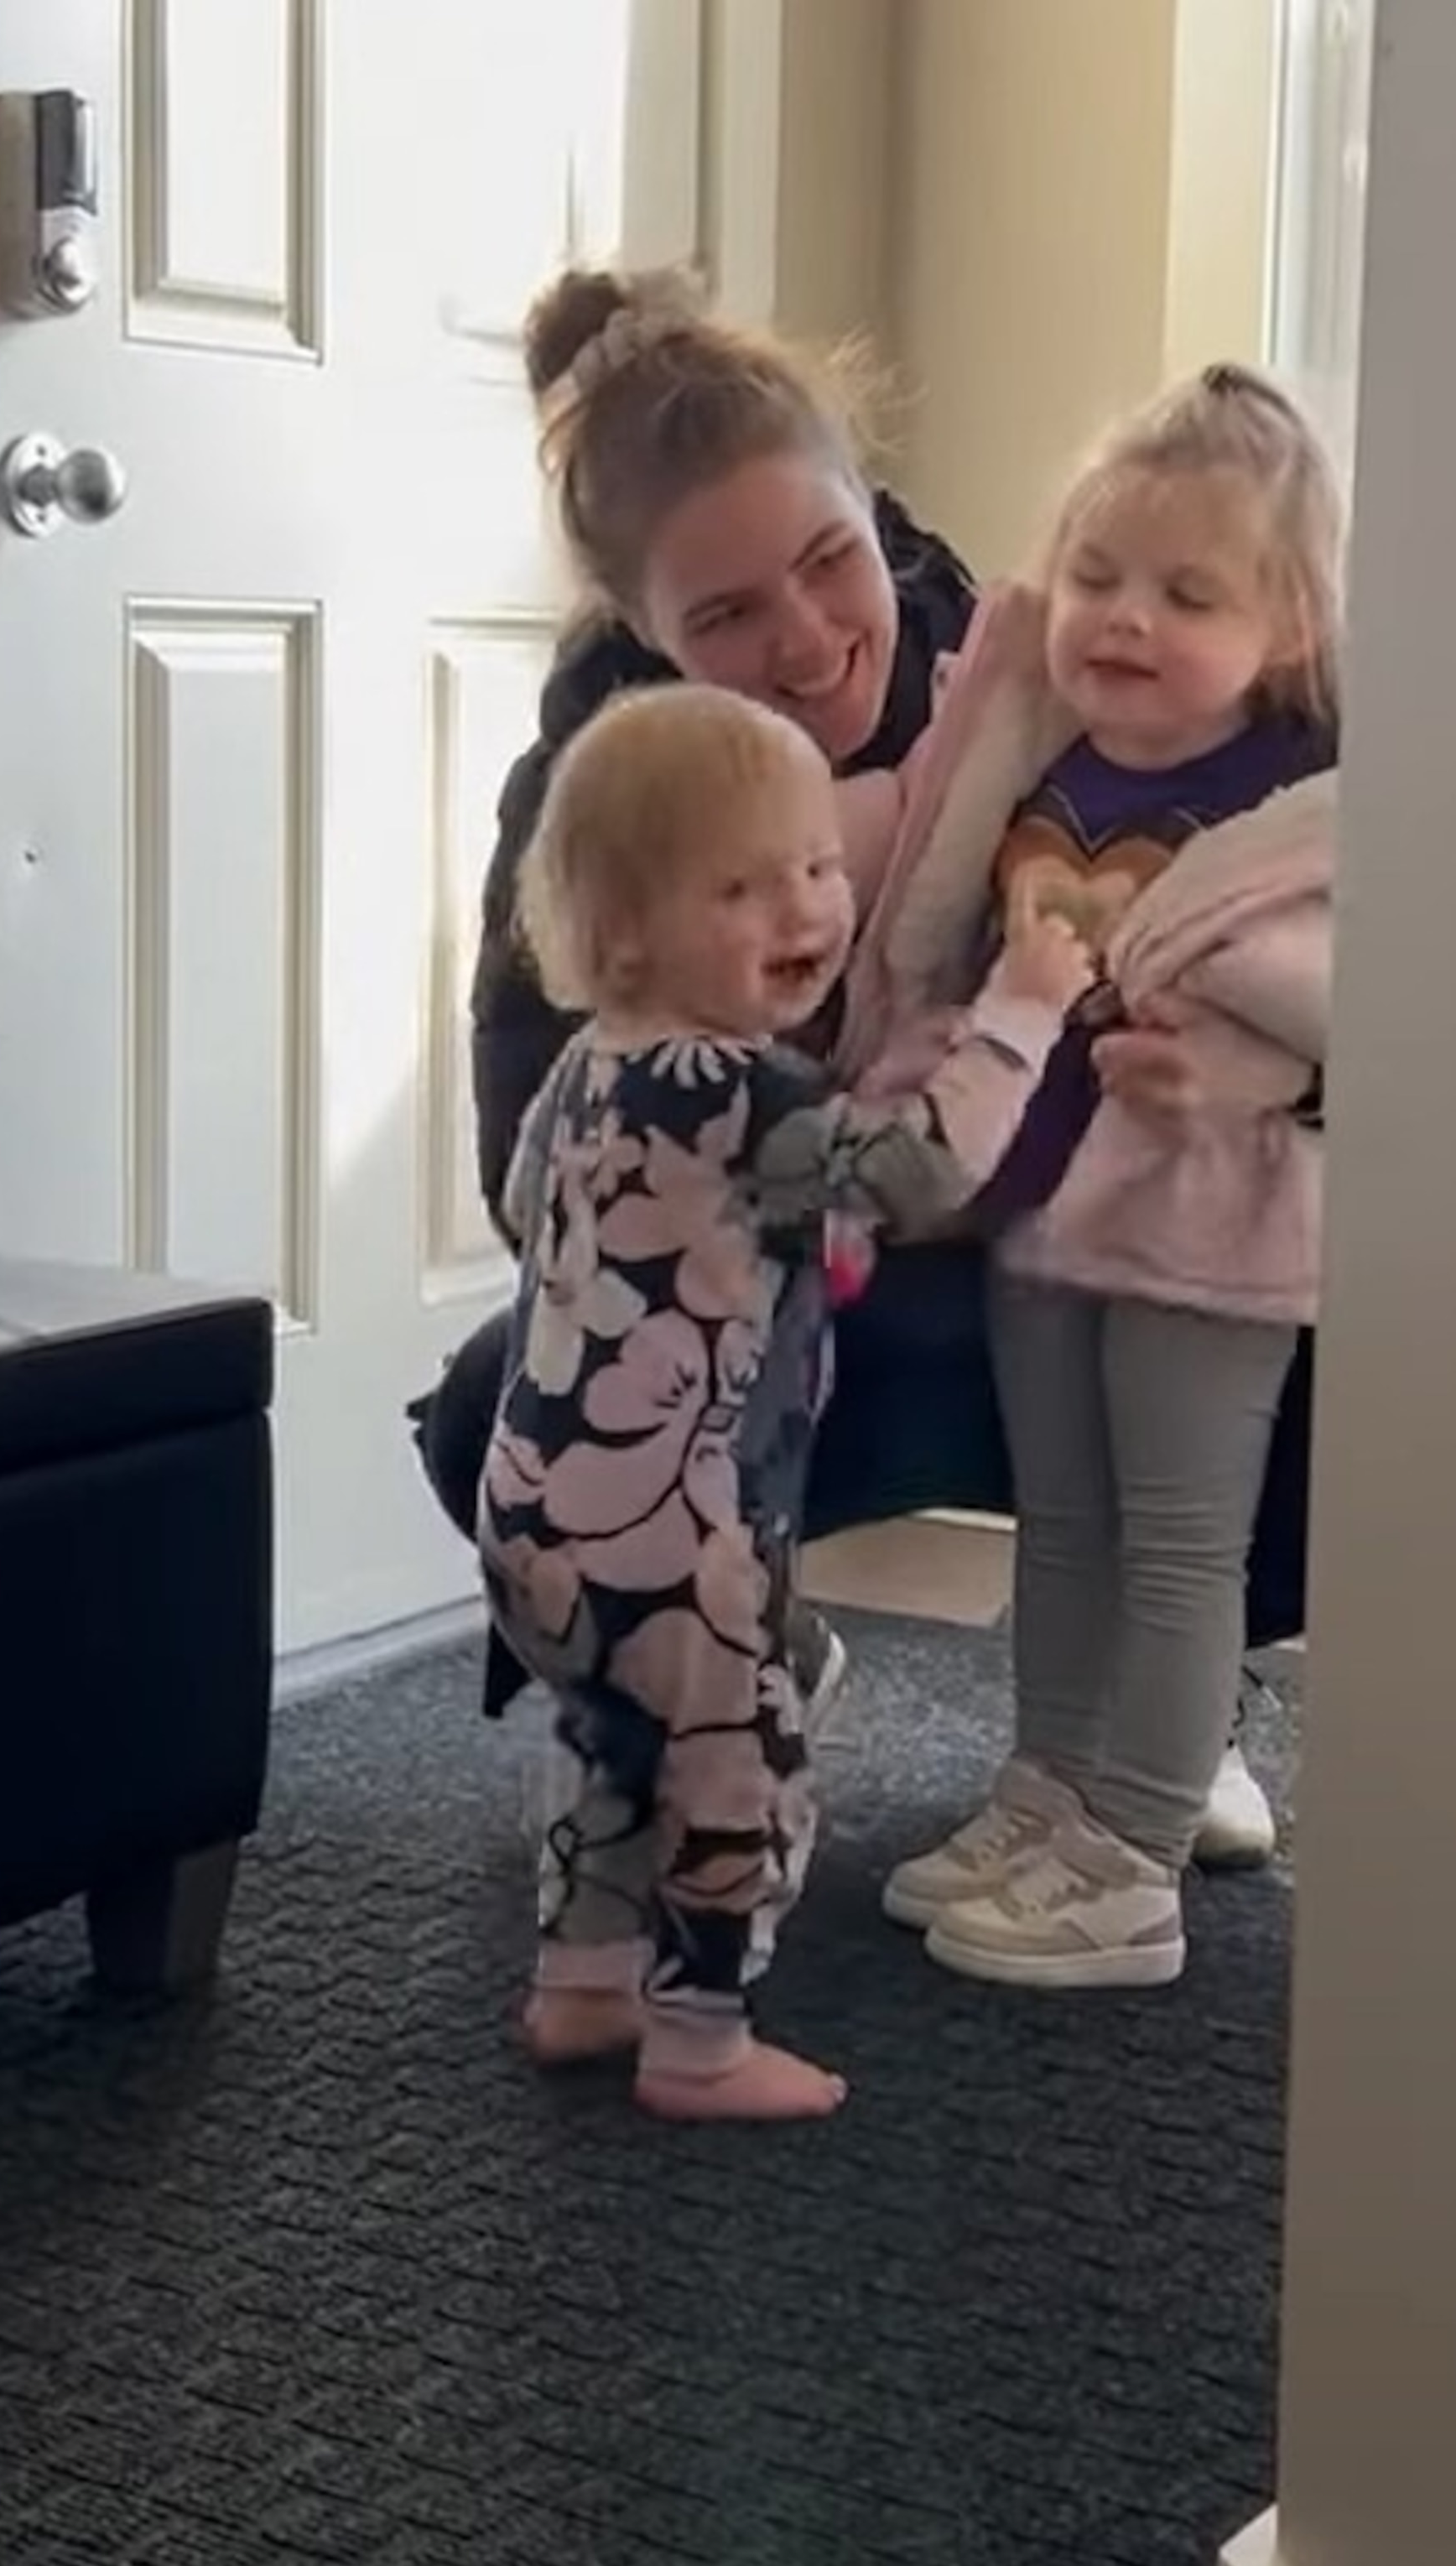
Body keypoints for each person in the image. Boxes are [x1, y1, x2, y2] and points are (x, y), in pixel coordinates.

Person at [407, 265, 1313, 1856]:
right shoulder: (601, 798)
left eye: (833, 565)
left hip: (1105, 1223)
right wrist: (769, 1137)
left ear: (878, 524)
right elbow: (529, 1169)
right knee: (506, 1401)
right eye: (729, 614)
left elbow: (1339, 943)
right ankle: (727, 1638)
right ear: (644, 628)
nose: (812, 640)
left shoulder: (1038, 681)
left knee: (1273, 1309)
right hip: (824, 1264)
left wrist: (1280, 1081)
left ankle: (1176, 1691)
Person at [483, 679, 1088, 2119]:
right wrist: (1022, 1012)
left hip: (534, 1510)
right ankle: (700, 2041)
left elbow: (535, 1208)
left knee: (608, 1740)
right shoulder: (750, 1091)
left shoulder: (584, 1070)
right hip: (676, 1525)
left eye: (820, 867)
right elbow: (924, 1169)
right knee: (736, 1764)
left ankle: (582, 1985)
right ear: (625, 930)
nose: (807, 908)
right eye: (744, 887)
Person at [874, 365, 1344, 1986]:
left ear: (1282, 628)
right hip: (1052, 1217)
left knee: (1177, 1542)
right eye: (1095, 578)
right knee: (1060, 1528)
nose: (1123, 617)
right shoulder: (1049, 771)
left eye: (1186, 592)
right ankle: (1052, 1787)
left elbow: (1353, 1001)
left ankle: (1136, 1847)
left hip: (1213, 1232)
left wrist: (1233, 1050)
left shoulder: (1296, 807)